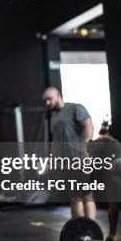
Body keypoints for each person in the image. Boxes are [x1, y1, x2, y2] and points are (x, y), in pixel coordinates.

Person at [42, 86, 95, 219]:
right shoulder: (54, 118)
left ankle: (91, 228)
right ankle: (78, 228)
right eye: (45, 101)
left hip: (80, 158)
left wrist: (84, 149)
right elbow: (55, 142)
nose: (47, 103)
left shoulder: (75, 108)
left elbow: (88, 126)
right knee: (74, 196)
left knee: (86, 194)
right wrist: (52, 162)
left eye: (49, 99)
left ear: (58, 95)